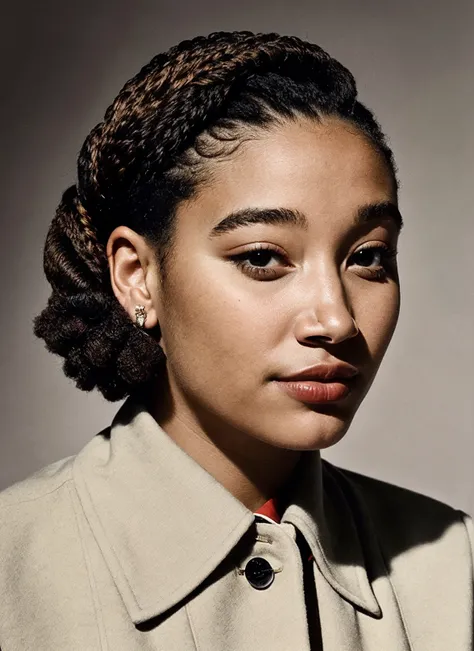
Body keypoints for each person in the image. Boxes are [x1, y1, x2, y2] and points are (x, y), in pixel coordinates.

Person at [0, 30, 472, 651]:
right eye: (261, 258)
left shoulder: (455, 565)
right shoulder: (14, 569)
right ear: (137, 277)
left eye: (368, 257)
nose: (335, 320)